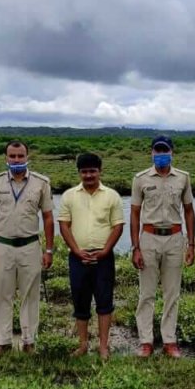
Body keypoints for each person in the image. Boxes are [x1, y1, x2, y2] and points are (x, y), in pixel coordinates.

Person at [0, 140, 55, 356]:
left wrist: (49, 250)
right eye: (12, 156)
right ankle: (1, 341)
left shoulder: (41, 183)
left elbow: (49, 218)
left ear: (27, 157)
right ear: (6, 158)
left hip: (30, 246)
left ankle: (29, 341)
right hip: (2, 246)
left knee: (30, 295)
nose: (16, 160)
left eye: (20, 156)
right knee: (1, 294)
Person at [130, 135, 195, 358]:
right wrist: (135, 247)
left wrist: (192, 244)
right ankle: (146, 341)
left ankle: (169, 341)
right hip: (149, 238)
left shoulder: (183, 178)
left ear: (171, 152)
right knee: (146, 293)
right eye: (157, 151)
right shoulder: (140, 179)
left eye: (164, 151)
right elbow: (135, 214)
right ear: (151, 153)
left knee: (172, 293)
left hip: (175, 239)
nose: (160, 155)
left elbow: (189, 210)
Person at [57, 153, 124, 360]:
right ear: (79, 172)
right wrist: (77, 251)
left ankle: (104, 346)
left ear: (100, 171)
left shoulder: (112, 195)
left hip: (104, 258)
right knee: (80, 302)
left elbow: (118, 226)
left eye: (92, 171)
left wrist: (105, 251)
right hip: (77, 258)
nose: (88, 175)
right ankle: (83, 344)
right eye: (84, 171)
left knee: (104, 302)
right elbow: (64, 225)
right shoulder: (69, 195)